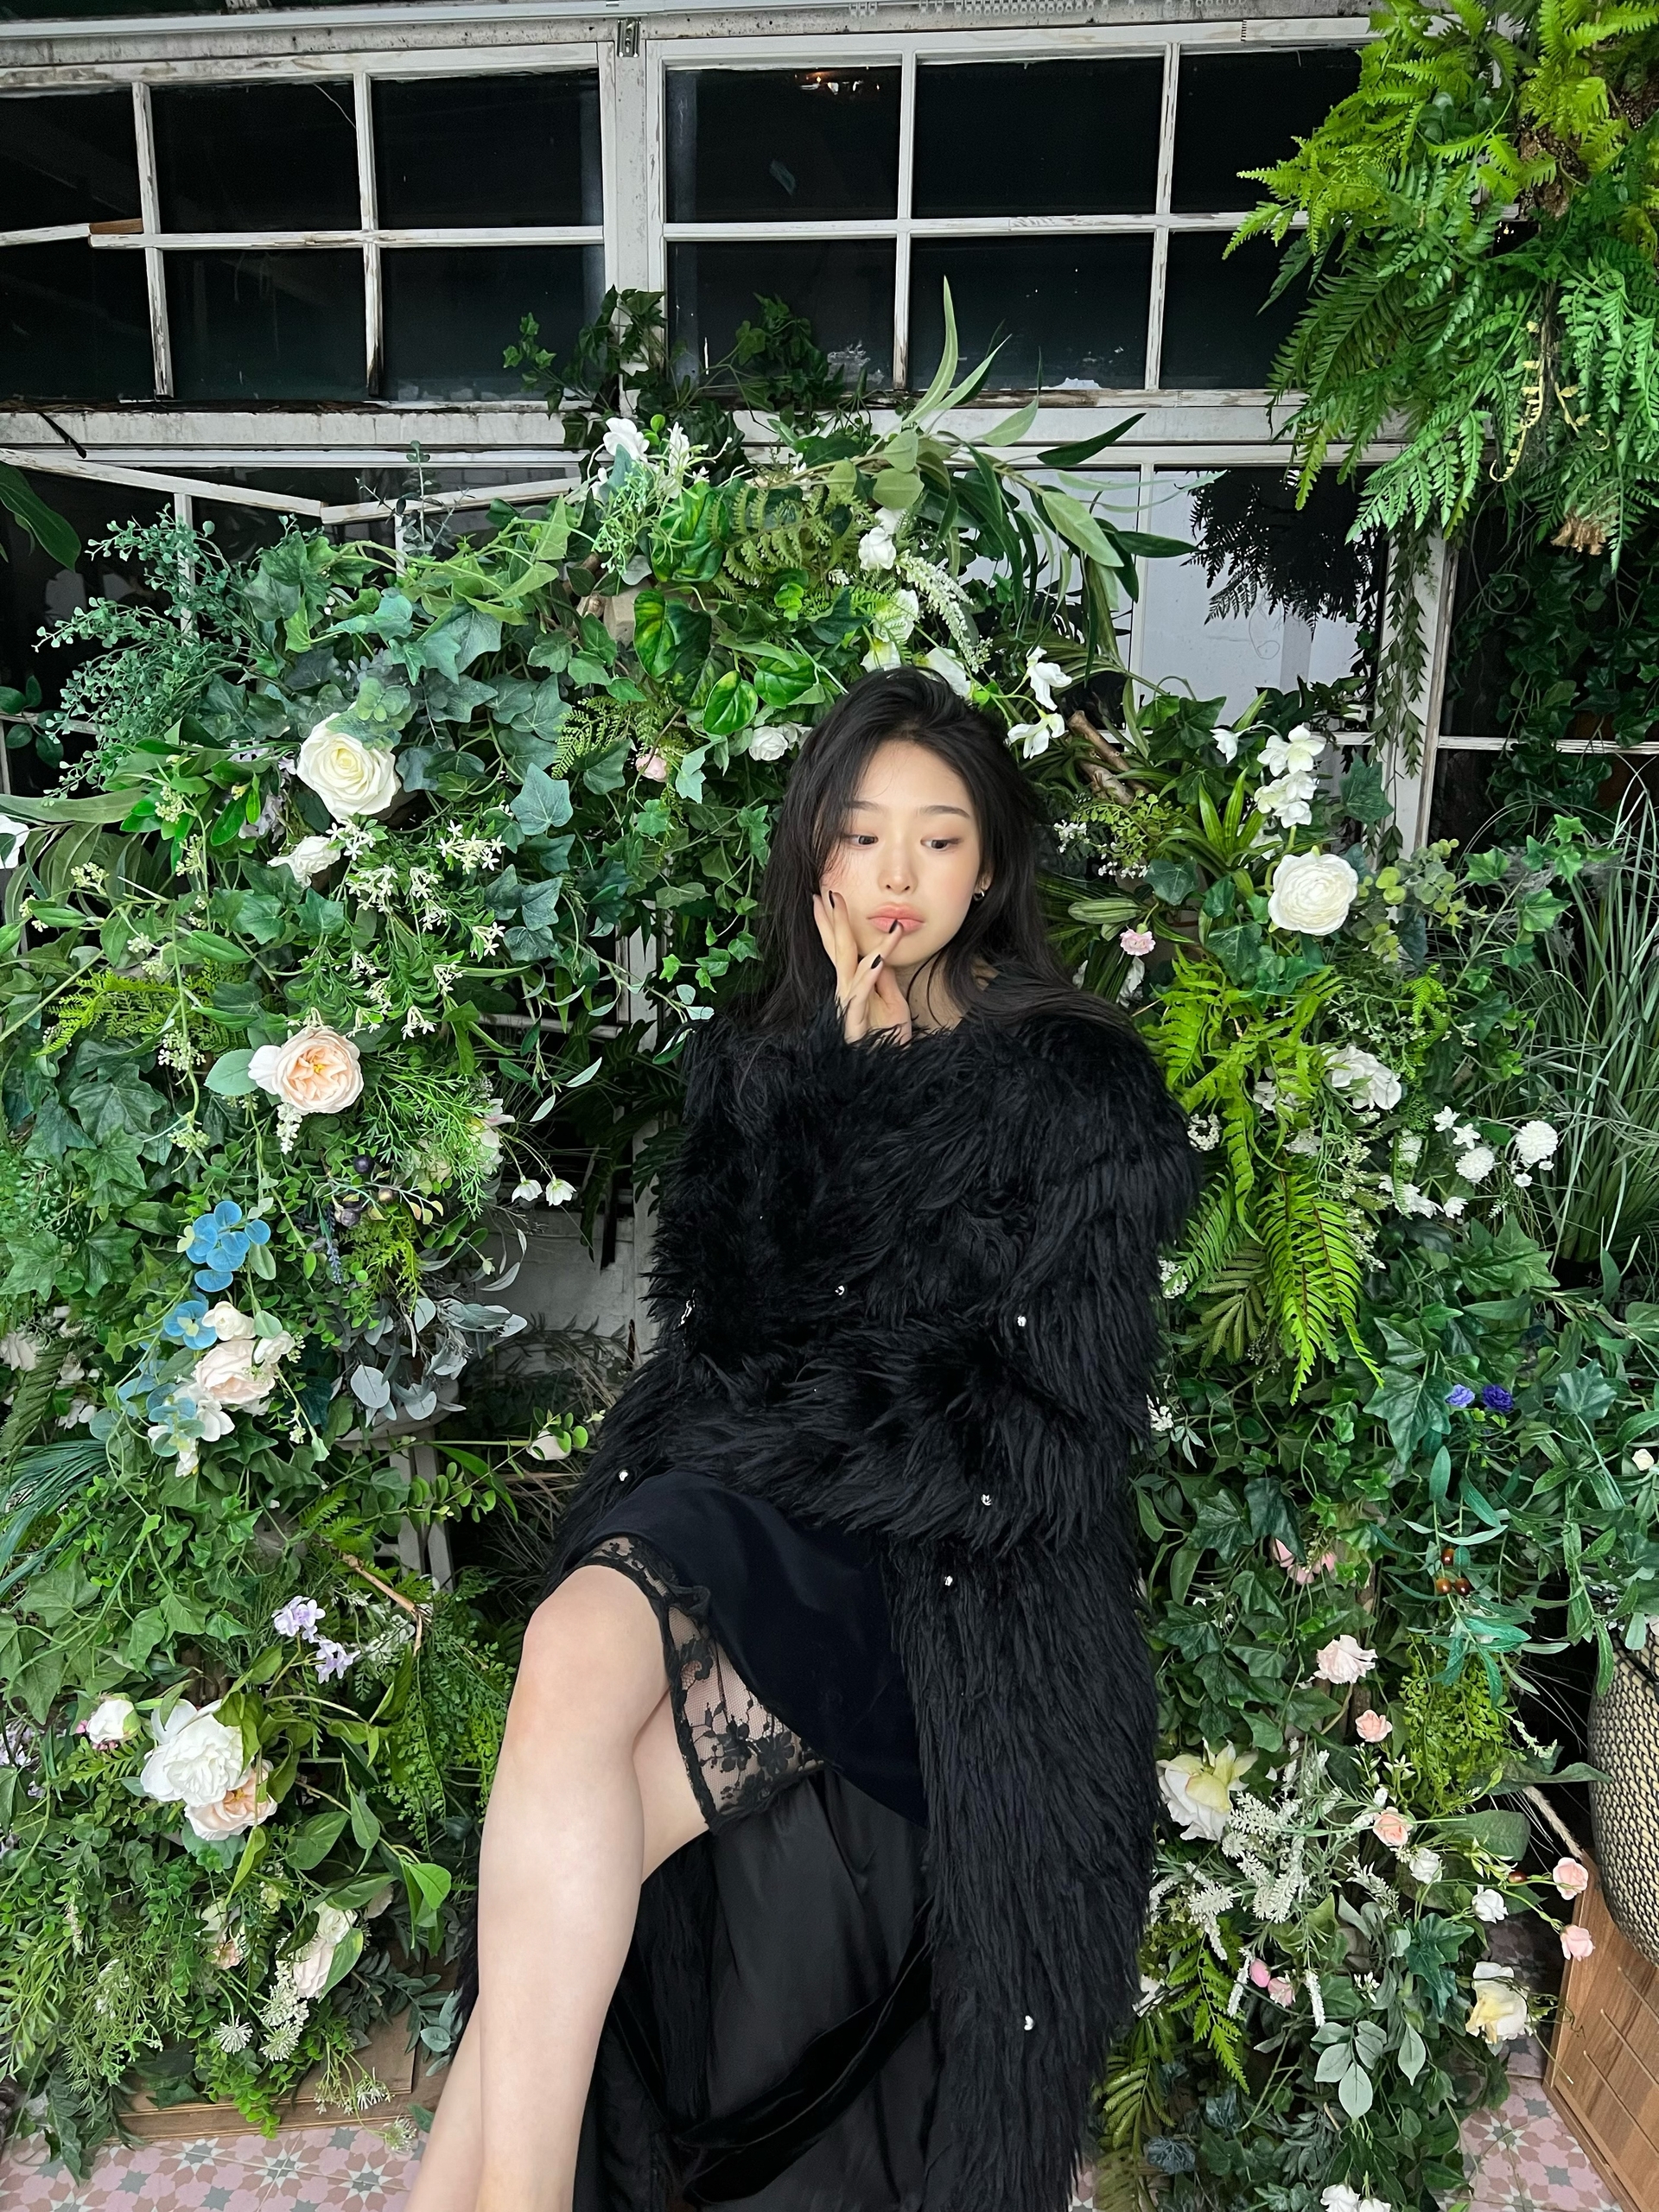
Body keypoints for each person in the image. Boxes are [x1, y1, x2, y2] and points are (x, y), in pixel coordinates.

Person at [409, 668, 1201, 2212]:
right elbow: (730, 1334)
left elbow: (1056, 1427)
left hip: (941, 1555)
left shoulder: (1079, 1089)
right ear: (818, 854)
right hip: (759, 1486)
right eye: (863, 834)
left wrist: (834, 1437)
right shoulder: (767, 1053)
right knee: (571, 1655)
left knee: (610, 1816)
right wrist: (830, 1076)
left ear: (991, 864)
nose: (898, 875)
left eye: (940, 840)